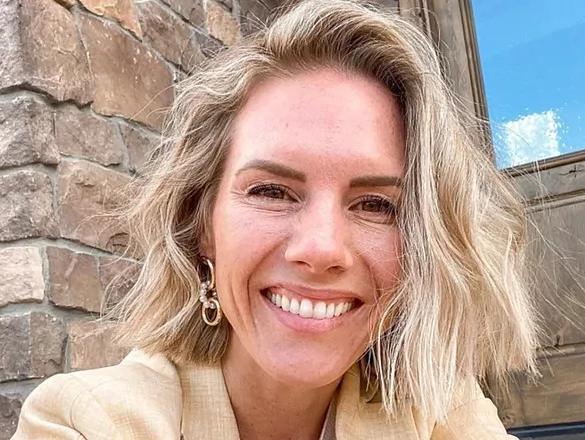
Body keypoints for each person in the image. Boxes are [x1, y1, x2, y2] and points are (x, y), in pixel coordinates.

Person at [12, 0, 539, 438]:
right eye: (271, 191)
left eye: (377, 204)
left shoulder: (439, 409)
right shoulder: (87, 421)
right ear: (202, 227)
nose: (322, 248)